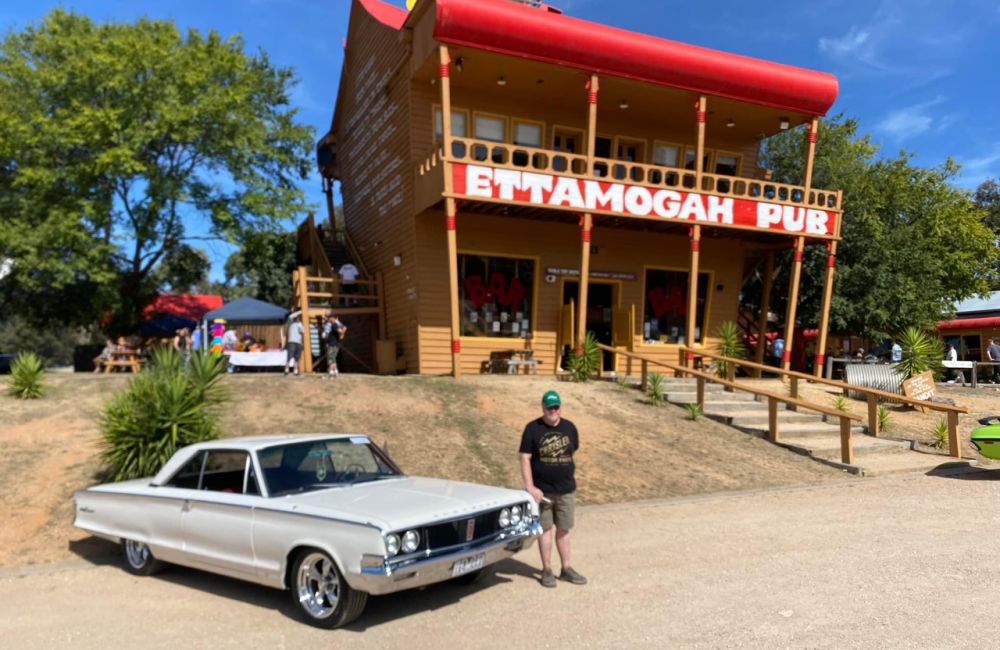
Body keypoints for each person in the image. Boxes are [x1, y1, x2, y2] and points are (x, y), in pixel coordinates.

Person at [519, 390, 587, 588]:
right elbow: (525, 457)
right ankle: (546, 569)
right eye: (549, 407)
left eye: (556, 406)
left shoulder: (569, 427)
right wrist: (530, 487)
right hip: (543, 492)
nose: (553, 410)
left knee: (564, 529)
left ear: (560, 407)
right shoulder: (532, 429)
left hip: (566, 489)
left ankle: (566, 568)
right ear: (543, 408)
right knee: (545, 529)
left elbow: (572, 451)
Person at [322, 311, 347, 377]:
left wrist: (342, 334)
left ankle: (331, 371)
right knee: (333, 357)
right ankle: (335, 370)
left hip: (332, 344)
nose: (327, 318)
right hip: (334, 343)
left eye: (329, 317)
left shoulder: (334, 324)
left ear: (333, 318)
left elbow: (342, 329)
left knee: (330, 357)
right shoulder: (331, 324)